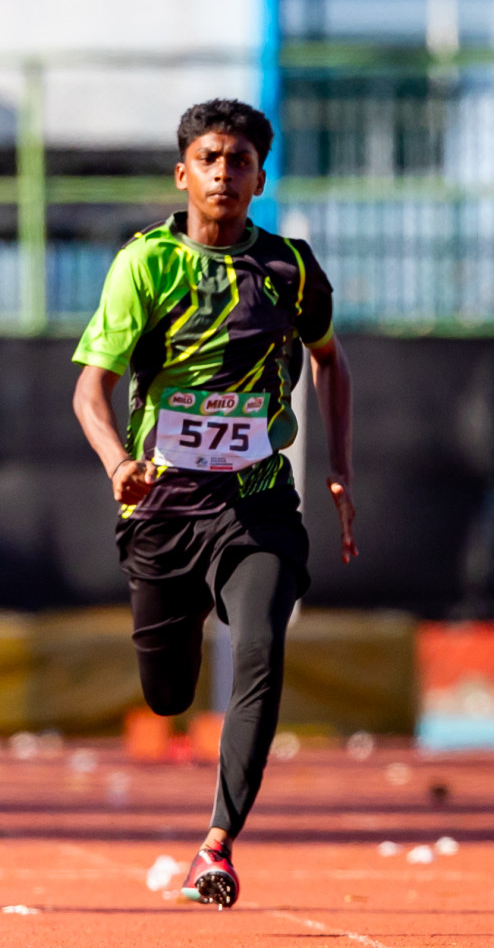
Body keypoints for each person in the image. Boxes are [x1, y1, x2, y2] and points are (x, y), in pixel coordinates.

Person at [71, 98, 358, 908]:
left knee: (262, 645)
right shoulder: (145, 265)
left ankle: (217, 844)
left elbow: (332, 363)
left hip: (259, 502)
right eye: (209, 159)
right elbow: (90, 389)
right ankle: (184, 616)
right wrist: (118, 461)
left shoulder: (292, 271)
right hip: (162, 508)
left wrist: (337, 470)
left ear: (260, 178)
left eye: (239, 161)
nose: (224, 173)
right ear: (183, 174)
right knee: (167, 694)